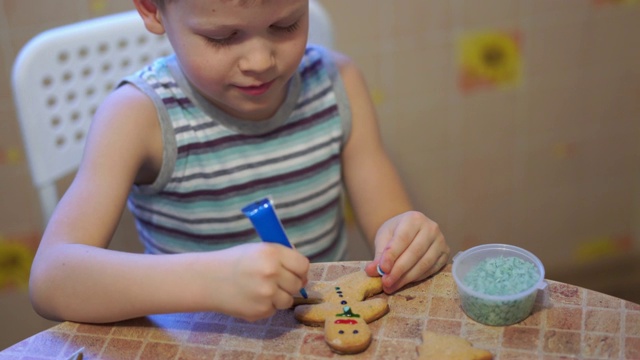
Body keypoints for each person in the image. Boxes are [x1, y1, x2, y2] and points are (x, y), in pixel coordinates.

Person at [28, 0, 450, 324]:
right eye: (223, 36)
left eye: (285, 25)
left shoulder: (338, 83)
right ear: (153, 9)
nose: (260, 62)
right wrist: (210, 281)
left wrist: (407, 238)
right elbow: (51, 279)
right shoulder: (136, 117)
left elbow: (390, 223)